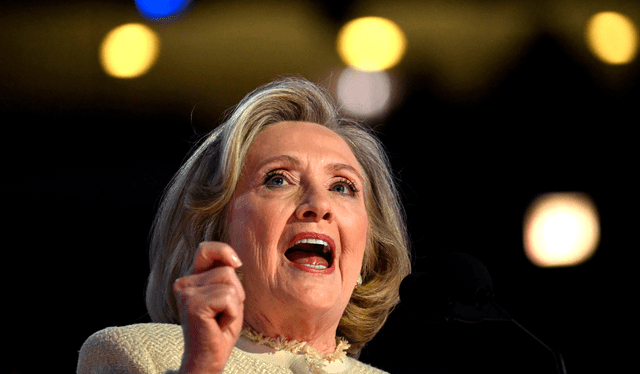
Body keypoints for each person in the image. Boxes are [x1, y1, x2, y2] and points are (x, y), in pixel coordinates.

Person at [77, 76, 411, 374]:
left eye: (342, 187)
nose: (319, 206)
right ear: (214, 231)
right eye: (278, 179)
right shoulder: (139, 356)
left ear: (367, 252)